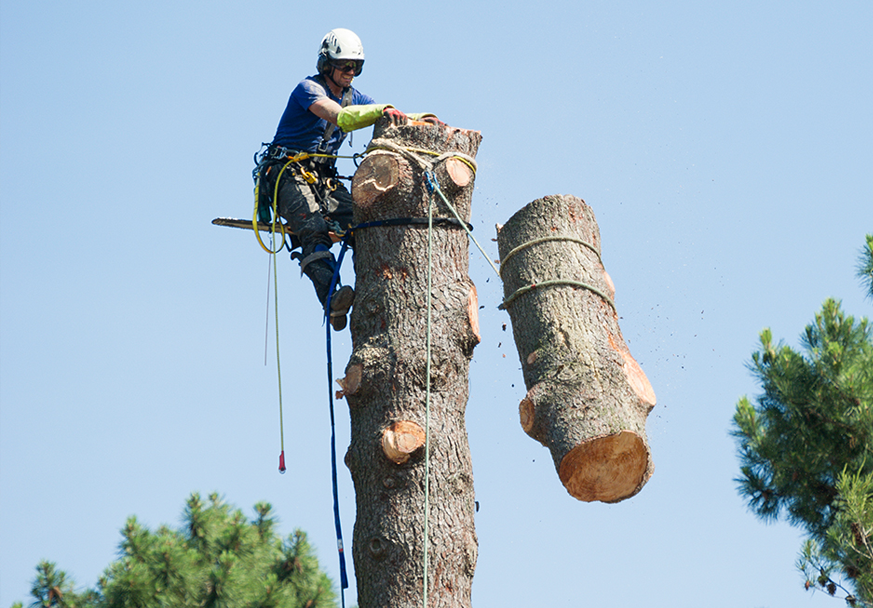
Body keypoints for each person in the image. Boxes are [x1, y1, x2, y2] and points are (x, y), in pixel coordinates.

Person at [254, 28, 436, 331]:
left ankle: (373, 293)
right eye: (345, 66)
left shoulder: (354, 95)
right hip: (286, 173)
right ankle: (332, 298)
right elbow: (343, 118)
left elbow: (384, 115)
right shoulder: (308, 89)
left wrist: (420, 118)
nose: (351, 72)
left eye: (357, 67)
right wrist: (384, 110)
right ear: (327, 65)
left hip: (323, 179)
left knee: (366, 222)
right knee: (313, 229)